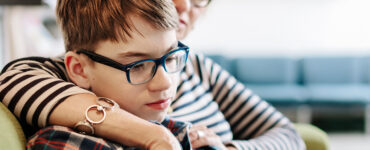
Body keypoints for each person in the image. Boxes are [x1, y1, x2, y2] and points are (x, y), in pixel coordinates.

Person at [0, 0, 305, 149]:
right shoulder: (73, 70)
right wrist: (155, 136)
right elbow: (11, 80)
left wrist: (230, 148)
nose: (186, 6)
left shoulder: (197, 65)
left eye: (199, 1)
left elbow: (289, 135)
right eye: (138, 65)